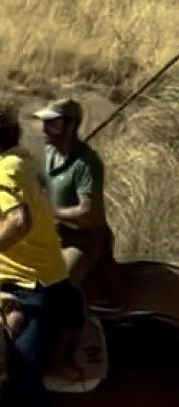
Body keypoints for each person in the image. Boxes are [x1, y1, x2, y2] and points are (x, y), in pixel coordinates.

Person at [0, 102, 85, 407]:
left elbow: (17, 221)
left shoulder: (8, 168)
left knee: (21, 368)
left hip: (34, 287)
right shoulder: (22, 159)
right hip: (10, 278)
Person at [33, 98, 120, 308]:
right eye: (44, 123)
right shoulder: (50, 154)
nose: (45, 128)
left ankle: (76, 334)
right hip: (53, 234)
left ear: (71, 126)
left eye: (53, 124)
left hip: (83, 240)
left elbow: (86, 214)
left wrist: (51, 212)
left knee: (56, 285)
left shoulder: (87, 164)